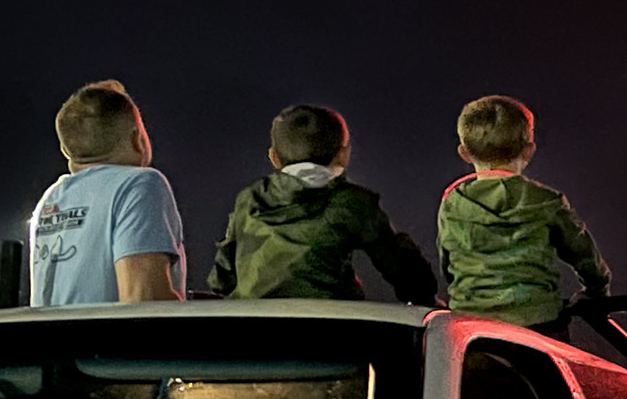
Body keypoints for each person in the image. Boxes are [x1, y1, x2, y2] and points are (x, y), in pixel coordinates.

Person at [211, 104, 438, 304]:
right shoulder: (353, 202)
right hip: (327, 331)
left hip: (252, 327)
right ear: (343, 155)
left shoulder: (250, 198)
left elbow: (222, 278)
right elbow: (402, 268)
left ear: (274, 157)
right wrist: (425, 298)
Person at [436, 95, 609, 330]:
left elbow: (447, 264)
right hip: (540, 327)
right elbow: (584, 254)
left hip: (472, 330)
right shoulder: (548, 202)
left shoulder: (452, 204)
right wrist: (596, 291)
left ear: (464, 152)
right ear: (529, 151)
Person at [29, 81, 185, 306]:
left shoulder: (51, 199)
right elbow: (145, 300)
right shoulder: (139, 185)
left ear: (66, 151)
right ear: (137, 139)